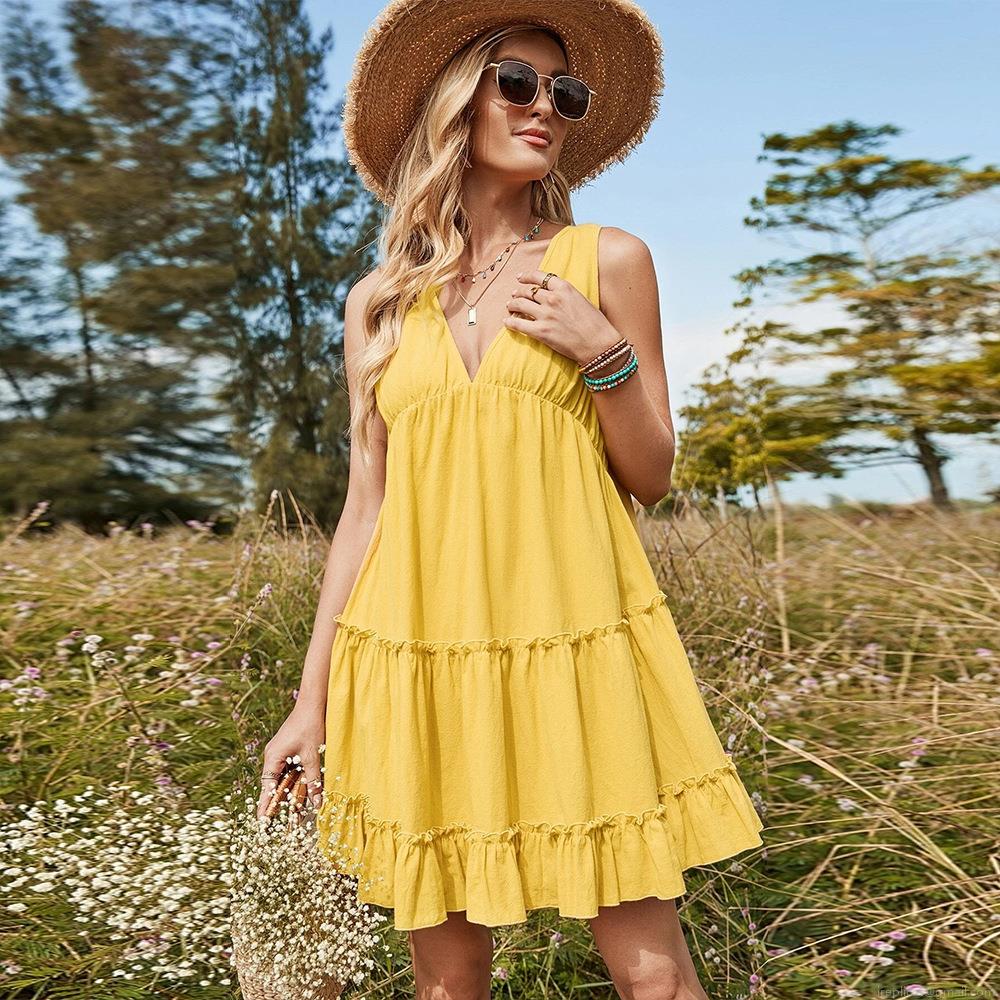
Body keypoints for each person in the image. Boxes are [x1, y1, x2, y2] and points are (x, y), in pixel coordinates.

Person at [258, 2, 765, 997]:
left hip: (572, 644)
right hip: (415, 656)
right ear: (454, 100)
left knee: (653, 974)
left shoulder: (607, 261)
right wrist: (310, 702)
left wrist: (602, 353)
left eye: (565, 94)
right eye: (519, 83)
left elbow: (651, 474)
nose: (546, 109)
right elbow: (364, 511)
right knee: (447, 982)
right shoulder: (378, 303)